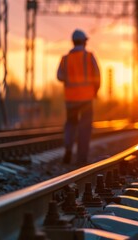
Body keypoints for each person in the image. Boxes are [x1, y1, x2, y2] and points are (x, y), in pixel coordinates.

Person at [57, 29, 101, 165]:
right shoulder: (89, 56)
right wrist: (95, 91)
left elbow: (59, 76)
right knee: (85, 128)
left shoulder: (65, 59)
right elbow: (97, 75)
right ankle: (81, 158)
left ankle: (68, 150)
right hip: (87, 99)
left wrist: (69, 80)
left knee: (70, 125)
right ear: (84, 42)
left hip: (70, 99)